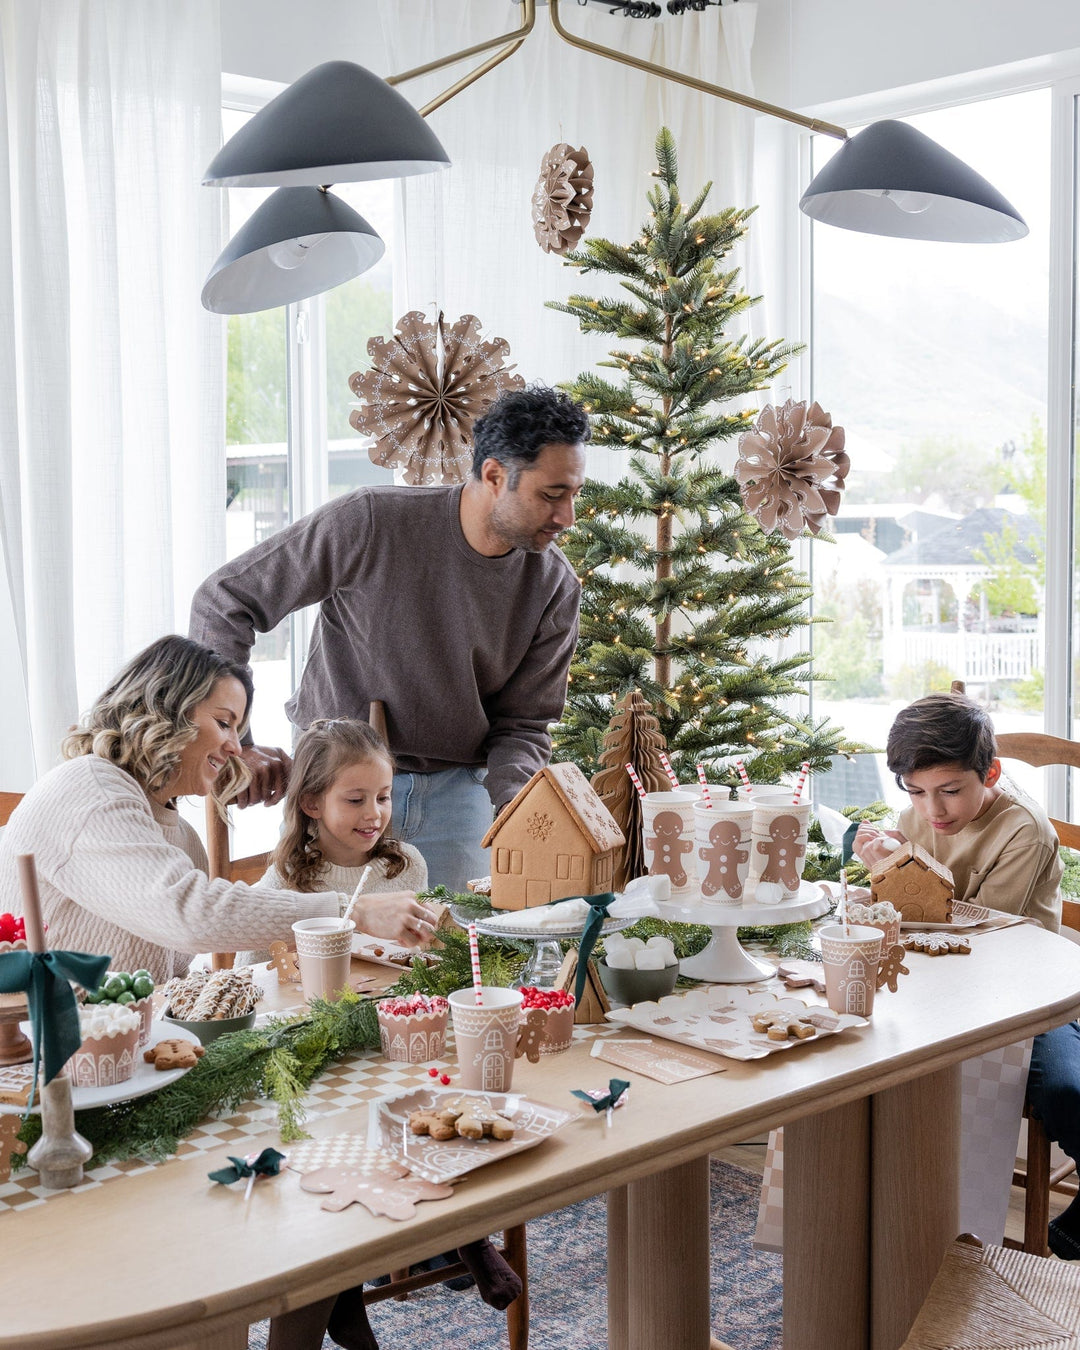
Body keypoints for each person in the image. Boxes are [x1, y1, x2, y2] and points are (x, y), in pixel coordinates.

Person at [189, 384, 590, 892]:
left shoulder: (554, 584)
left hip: (462, 797)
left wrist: (516, 809)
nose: (567, 517)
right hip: (339, 790)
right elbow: (224, 600)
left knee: (453, 964)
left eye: (574, 494)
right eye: (551, 495)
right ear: (494, 475)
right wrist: (237, 740)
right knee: (324, 963)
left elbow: (525, 722)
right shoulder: (372, 521)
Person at [0, 635, 438, 981]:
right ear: (165, 707)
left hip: (127, 1053)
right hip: (38, 1057)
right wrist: (352, 910)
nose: (235, 745)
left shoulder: (181, 837)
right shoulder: (88, 789)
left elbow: (173, 968)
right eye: (225, 722)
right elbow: (189, 915)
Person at [853, 691, 1076, 1256]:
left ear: (990, 772)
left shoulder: (1023, 830)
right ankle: (877, 1208)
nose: (935, 811)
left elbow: (986, 934)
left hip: (1024, 990)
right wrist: (887, 867)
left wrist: (900, 874)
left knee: (1065, 1088)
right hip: (933, 985)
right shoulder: (916, 817)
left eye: (951, 790)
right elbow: (898, 915)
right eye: (916, 792)